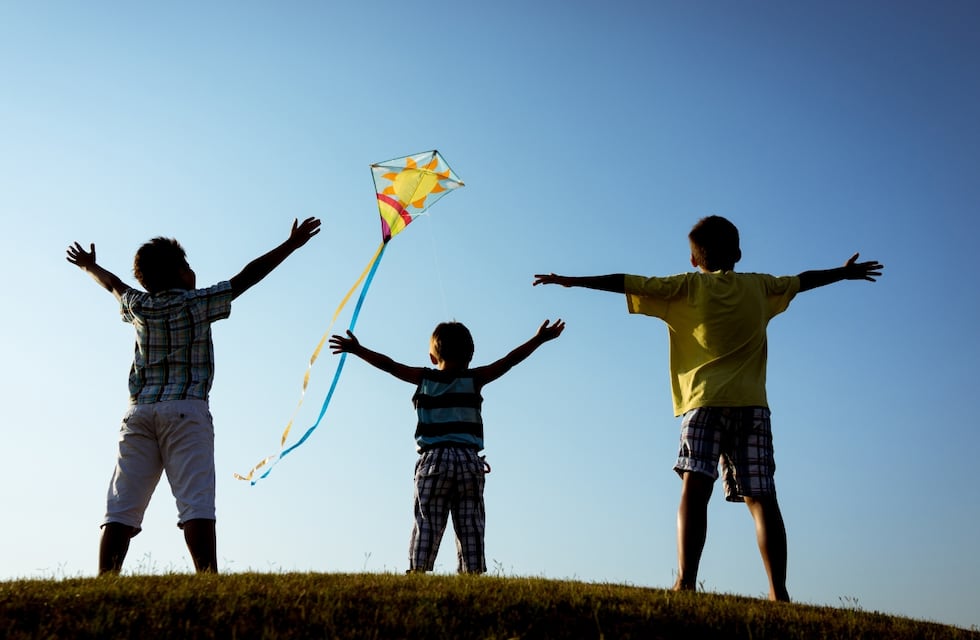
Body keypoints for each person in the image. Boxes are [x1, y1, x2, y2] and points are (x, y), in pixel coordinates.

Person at [533, 215, 883, 601]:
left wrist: (573, 280)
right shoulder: (760, 286)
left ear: (693, 260)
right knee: (762, 497)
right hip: (752, 406)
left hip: (702, 403)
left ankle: (685, 581)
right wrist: (842, 273)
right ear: (738, 253)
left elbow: (625, 282)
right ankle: (778, 591)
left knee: (695, 488)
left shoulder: (685, 287)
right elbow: (802, 280)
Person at [66, 217, 322, 574]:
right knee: (196, 501)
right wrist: (290, 245)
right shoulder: (198, 303)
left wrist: (89, 266)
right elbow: (248, 276)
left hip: (139, 413)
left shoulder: (140, 306)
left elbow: (113, 285)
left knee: (122, 504)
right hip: (186, 411)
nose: (192, 271)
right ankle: (207, 576)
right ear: (179, 274)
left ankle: (105, 579)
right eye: (187, 266)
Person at [328, 318, 565, 574]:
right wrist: (539, 339)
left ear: (432, 357)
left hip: (434, 460)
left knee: (428, 519)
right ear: (471, 355)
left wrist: (357, 349)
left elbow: (390, 366)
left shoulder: (424, 378)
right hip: (469, 461)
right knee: (470, 521)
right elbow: (508, 361)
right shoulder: (475, 378)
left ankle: (418, 570)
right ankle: (472, 572)